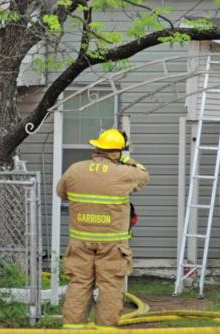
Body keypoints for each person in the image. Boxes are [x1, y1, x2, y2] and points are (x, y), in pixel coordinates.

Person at [56, 129, 149, 328]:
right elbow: (143, 174)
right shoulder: (124, 173)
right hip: (112, 244)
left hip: (80, 242)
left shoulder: (75, 170)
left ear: (97, 147)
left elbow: (61, 192)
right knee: (110, 287)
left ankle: (72, 329)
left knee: (79, 284)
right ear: (118, 152)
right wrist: (126, 159)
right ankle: (105, 330)